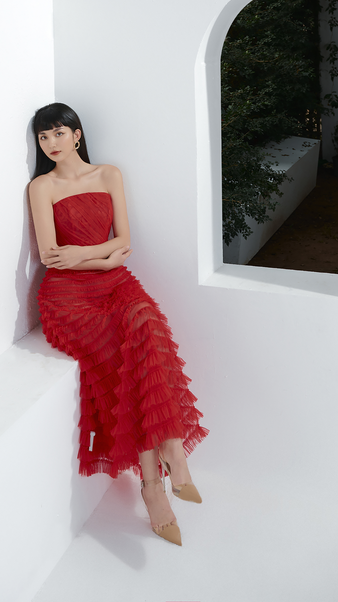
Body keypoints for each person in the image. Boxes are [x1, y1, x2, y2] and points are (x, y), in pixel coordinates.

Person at [28, 102, 208, 546]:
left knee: (147, 325)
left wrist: (92, 257)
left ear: (77, 134)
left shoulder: (109, 174)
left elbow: (124, 240)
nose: (50, 143)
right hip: (67, 297)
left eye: (58, 133)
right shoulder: (41, 186)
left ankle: (167, 453)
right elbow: (52, 257)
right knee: (122, 361)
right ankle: (156, 480)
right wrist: (101, 257)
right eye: (43, 137)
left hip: (114, 282)